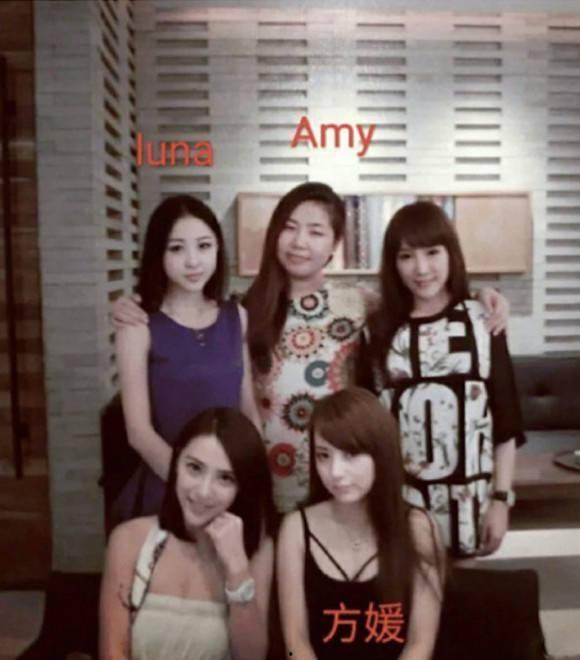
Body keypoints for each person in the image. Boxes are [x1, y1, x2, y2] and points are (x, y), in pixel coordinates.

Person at [112, 186, 509, 516]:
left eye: (316, 232)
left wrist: (480, 296)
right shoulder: (246, 308)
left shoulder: (359, 303)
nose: (300, 242)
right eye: (290, 227)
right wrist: (131, 305)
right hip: (260, 475)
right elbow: (191, 317)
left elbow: (422, 302)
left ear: (335, 245)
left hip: (338, 473)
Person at [364, 201, 525, 559]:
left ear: (451, 253)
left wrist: (501, 500)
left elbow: (506, 421)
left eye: (432, 252)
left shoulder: (483, 320)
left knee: (465, 590)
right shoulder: (378, 330)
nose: (421, 269)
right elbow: (370, 426)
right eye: (406, 256)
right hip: (402, 502)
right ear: (393, 263)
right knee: (408, 588)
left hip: (471, 501)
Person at [113, 195, 260, 522]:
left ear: (218, 249)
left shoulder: (236, 316)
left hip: (231, 487)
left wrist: (245, 479)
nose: (193, 261)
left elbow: (247, 407)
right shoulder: (137, 325)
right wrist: (195, 490)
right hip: (167, 485)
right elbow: (139, 433)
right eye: (177, 248)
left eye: (204, 246)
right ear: (158, 254)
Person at [277, 387, 445, 660]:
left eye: (350, 455)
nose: (335, 472)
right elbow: (296, 640)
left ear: (381, 453)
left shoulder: (418, 527)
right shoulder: (296, 528)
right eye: (323, 455)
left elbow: (420, 643)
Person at [99, 407, 275, 660]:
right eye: (194, 468)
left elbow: (251, 657)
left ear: (243, 487)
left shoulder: (258, 547)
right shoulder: (128, 539)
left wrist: (237, 570)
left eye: (225, 478)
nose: (203, 491)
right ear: (176, 465)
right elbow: (112, 652)